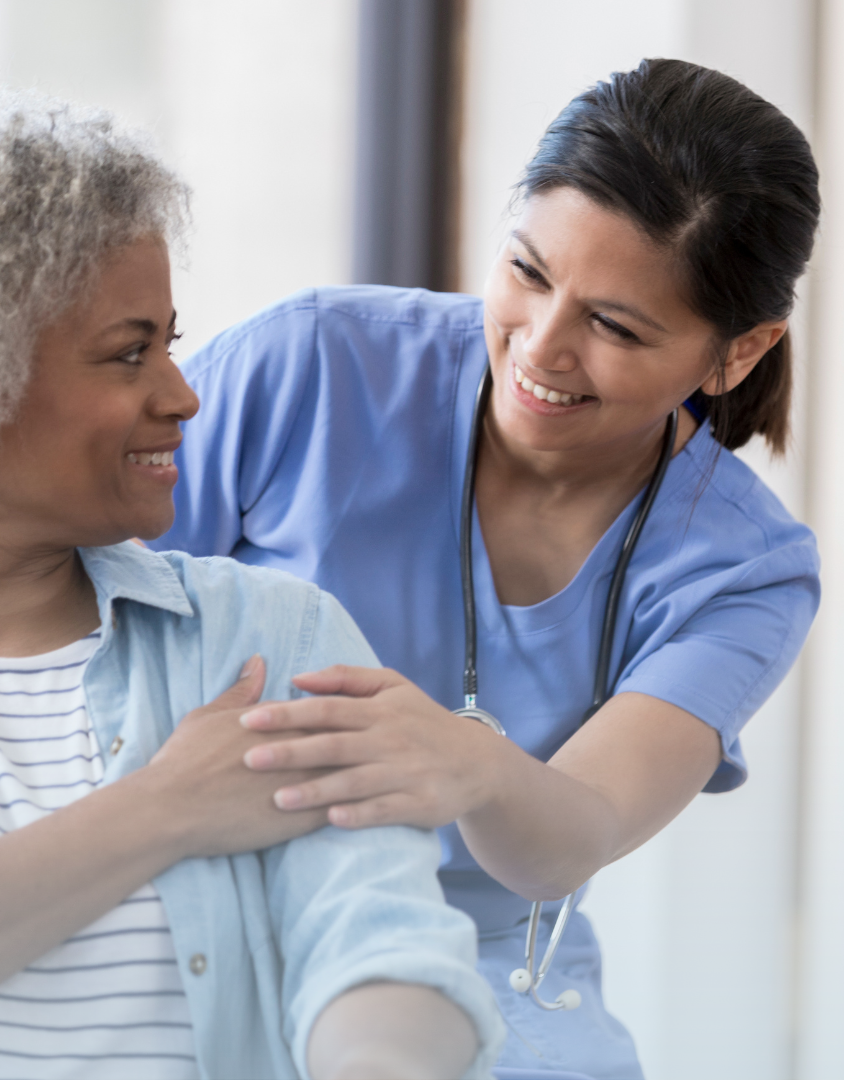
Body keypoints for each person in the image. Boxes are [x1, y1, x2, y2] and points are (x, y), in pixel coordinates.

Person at [0, 88, 505, 1080]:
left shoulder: (271, 638)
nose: (182, 394)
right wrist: (160, 809)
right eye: (128, 353)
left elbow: (382, 942)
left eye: (171, 340)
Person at [150, 59, 821, 1080]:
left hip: (485, 962)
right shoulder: (317, 365)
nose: (540, 349)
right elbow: (78, 604)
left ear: (737, 353)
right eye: (527, 273)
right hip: (194, 892)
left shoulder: (746, 571)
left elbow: (568, 840)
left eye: (615, 327)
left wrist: (470, 763)